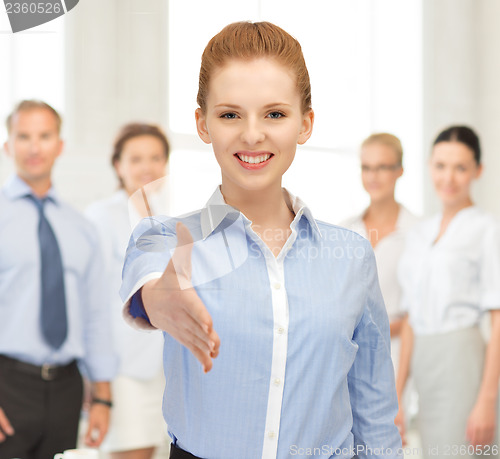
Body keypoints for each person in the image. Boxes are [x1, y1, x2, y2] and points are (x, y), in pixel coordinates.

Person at [119, 22, 402, 459]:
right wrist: (159, 302)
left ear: (305, 124)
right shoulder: (163, 238)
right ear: (203, 123)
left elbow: (374, 409)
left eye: (275, 113)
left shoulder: (352, 257)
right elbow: (150, 292)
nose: (252, 134)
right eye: (230, 114)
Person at [0, 100, 117, 459]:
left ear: (60, 146)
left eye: (44, 136)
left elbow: (96, 313)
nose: (34, 147)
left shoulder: (81, 228)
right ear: (8, 145)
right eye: (24, 136)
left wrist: (102, 397)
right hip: (8, 385)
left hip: (67, 389)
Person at [396, 126, 500, 458]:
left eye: (461, 167)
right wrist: (398, 394)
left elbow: (498, 319)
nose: (449, 177)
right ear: (429, 166)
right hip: (424, 364)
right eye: (441, 166)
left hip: (463, 361)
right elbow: (412, 317)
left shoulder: (487, 230)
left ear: (478, 171)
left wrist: (486, 400)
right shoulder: (419, 234)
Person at [86, 123, 171, 459]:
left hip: (168, 369)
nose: (146, 167)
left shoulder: (169, 221)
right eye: (135, 158)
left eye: (155, 157)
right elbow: (92, 301)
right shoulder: (101, 217)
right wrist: (96, 378)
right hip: (124, 369)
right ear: (118, 165)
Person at [341, 133, 419, 371]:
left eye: (382, 167)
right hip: (349, 356)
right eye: (367, 167)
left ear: (400, 170)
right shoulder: (345, 231)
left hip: (398, 356)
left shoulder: (419, 233)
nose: (373, 176)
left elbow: (417, 312)